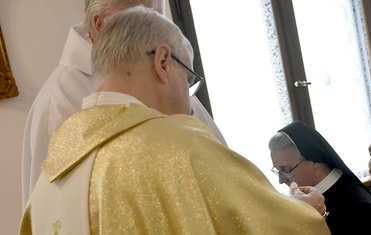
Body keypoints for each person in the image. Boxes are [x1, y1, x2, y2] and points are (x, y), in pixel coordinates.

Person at [17, 6, 352, 235]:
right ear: (162, 61)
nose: (189, 103)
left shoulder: (50, 180)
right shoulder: (177, 147)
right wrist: (303, 216)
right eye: (188, 79)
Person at [21, 0, 227, 209]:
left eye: (159, 17)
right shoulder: (62, 101)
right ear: (100, 24)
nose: (158, 32)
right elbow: (63, 215)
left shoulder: (163, 66)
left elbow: (213, 149)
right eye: (143, 20)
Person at [269, 120, 371, 235]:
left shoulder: (357, 206)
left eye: (286, 170)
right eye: (277, 170)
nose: (281, 179)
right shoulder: (299, 199)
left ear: (313, 159)